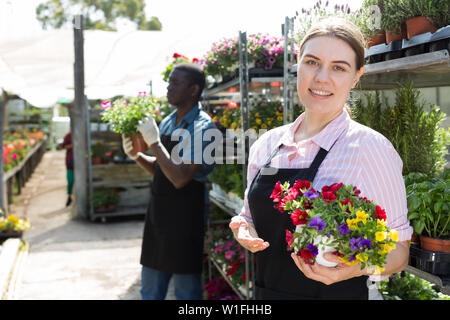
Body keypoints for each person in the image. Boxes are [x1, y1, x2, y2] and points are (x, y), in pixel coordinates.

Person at [229, 17, 412, 300]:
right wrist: (244, 227)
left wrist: (352, 268)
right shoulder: (267, 145)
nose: (321, 77)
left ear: (356, 77)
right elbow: (249, 216)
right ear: (297, 64)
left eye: (338, 67)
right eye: (312, 62)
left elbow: (399, 253)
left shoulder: (370, 149)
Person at [122, 63, 217, 300]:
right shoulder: (167, 121)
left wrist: (154, 143)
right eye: (169, 82)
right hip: (159, 216)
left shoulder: (203, 127)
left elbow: (181, 178)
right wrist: (136, 156)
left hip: (186, 219)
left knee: (187, 293)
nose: (168, 87)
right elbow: (161, 169)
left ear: (193, 89)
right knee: (150, 291)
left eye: (175, 83)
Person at [57, 131, 74, 207]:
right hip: (71, 160)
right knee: (70, 180)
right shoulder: (69, 135)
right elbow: (63, 146)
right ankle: (69, 196)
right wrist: (73, 145)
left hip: (81, 161)